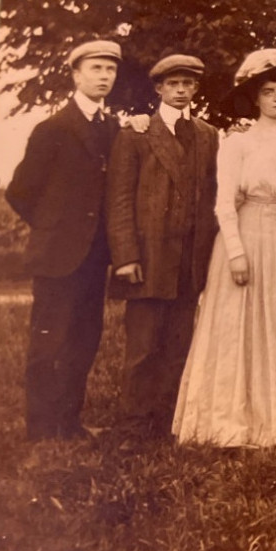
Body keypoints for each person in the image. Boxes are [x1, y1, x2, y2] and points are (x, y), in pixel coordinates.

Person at [173, 47, 276, 447]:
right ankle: (233, 422)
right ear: (254, 98)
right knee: (241, 326)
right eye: (268, 91)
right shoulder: (238, 143)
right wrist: (235, 252)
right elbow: (224, 203)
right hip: (248, 234)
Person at [5, 39, 121, 440]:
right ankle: (40, 429)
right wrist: (54, 228)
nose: (104, 76)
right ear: (76, 74)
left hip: (95, 258)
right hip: (57, 256)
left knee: (84, 341)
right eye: (96, 69)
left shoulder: (112, 128)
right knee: (49, 342)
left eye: (110, 70)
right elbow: (19, 191)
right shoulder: (53, 128)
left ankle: (69, 423)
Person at [105, 54, 220, 436]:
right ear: (158, 88)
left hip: (189, 260)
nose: (182, 90)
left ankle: (168, 421)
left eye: (188, 83)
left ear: (196, 88)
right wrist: (125, 257)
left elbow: (211, 197)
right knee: (142, 347)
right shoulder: (136, 133)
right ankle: (134, 425)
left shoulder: (207, 135)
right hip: (149, 257)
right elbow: (119, 199)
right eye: (173, 84)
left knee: (178, 344)